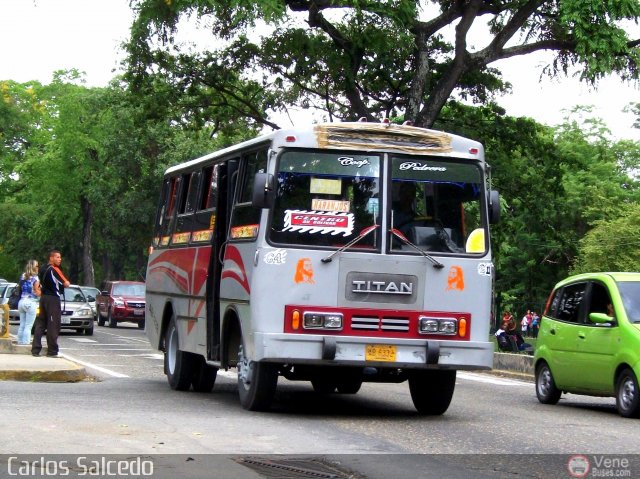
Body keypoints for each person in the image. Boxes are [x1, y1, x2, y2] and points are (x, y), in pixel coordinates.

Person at [31, 250, 70, 358]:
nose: (59, 259)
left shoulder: (42, 269)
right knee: (53, 324)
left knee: (40, 324)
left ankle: (35, 349)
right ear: (51, 258)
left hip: (43, 298)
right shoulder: (54, 269)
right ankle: (52, 351)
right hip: (53, 299)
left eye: (60, 257)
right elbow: (66, 283)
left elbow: (39, 283)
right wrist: (64, 284)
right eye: (57, 257)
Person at [16, 259, 41, 345]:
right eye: (37, 266)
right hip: (31, 301)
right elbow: (37, 292)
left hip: (21, 301)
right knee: (28, 326)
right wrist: (42, 292)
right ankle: (26, 343)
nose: (38, 267)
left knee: (22, 324)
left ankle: (19, 341)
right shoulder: (35, 278)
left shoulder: (23, 276)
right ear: (33, 267)